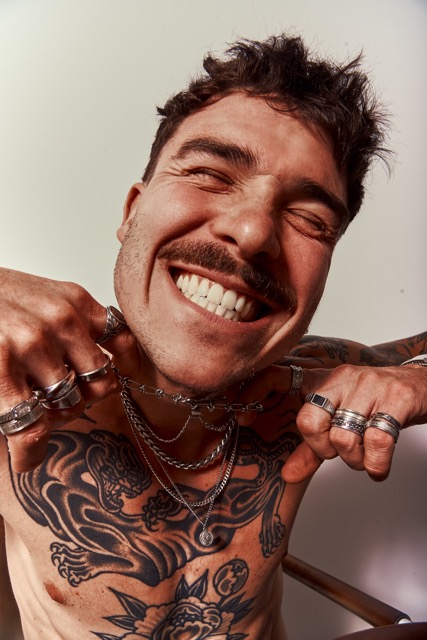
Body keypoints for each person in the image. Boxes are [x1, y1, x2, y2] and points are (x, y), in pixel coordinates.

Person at [0, 34, 426, 640]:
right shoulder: (22, 393)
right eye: (208, 174)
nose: (253, 232)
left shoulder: (315, 386)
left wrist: (418, 381)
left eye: (310, 219)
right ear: (131, 212)